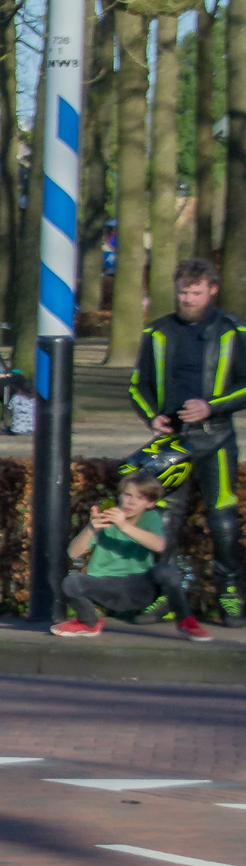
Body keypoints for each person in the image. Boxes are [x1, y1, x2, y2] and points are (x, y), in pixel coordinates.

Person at [130, 257, 246, 626]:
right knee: (163, 519)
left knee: (223, 518)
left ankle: (230, 592)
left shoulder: (234, 331)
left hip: (217, 439)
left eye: (195, 293)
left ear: (212, 290)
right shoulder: (158, 332)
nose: (188, 299)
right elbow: (138, 385)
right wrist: (152, 416)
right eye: (183, 292)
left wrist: (210, 407)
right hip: (171, 446)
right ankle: (166, 594)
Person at [53, 474, 186, 637]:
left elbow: (159, 545)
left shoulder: (150, 517)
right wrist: (90, 529)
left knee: (166, 570)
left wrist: (124, 526)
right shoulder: (107, 517)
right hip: (106, 585)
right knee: (71, 582)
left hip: (138, 586)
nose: (131, 502)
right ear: (120, 495)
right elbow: (73, 553)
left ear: (150, 504)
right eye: (127, 495)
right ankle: (88, 623)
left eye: (140, 498)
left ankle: (186, 621)